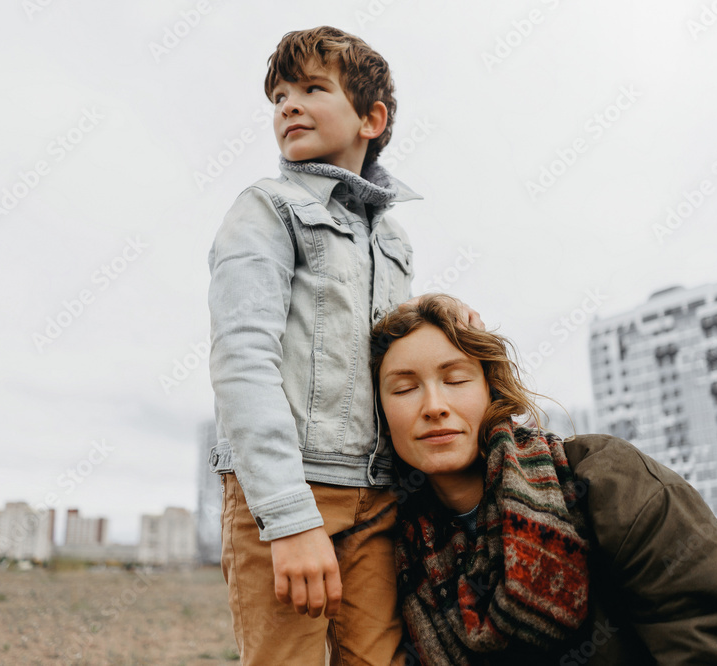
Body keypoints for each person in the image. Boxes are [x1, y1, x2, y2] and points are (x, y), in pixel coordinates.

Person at [208, 26, 478, 664]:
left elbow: (390, 353)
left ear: (371, 118)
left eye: (311, 88)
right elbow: (242, 361)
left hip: (380, 498)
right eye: (278, 96)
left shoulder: (393, 237)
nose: (288, 106)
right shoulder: (266, 209)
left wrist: (442, 320)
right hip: (289, 490)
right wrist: (288, 516)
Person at [370, 293, 717, 665]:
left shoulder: (612, 484)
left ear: (492, 391)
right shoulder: (388, 547)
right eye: (404, 389)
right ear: (381, 417)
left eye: (456, 379)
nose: (434, 406)